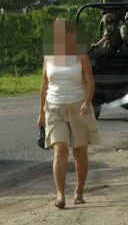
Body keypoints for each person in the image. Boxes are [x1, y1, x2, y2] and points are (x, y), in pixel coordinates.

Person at [37, 20, 100, 209]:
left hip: (78, 106)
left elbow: (90, 81)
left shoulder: (81, 56)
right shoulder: (48, 57)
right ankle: (60, 195)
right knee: (60, 150)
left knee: (79, 152)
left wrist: (87, 102)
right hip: (54, 107)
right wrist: (40, 113)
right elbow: (44, 86)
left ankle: (79, 190)